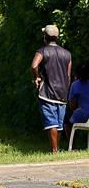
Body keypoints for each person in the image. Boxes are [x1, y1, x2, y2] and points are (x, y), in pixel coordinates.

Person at [31, 24, 72, 154]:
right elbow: (68, 75)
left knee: (51, 123)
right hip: (63, 93)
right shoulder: (67, 54)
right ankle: (57, 149)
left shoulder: (42, 51)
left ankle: (54, 151)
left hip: (47, 92)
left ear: (45, 37)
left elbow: (33, 66)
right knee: (59, 125)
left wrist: (37, 77)